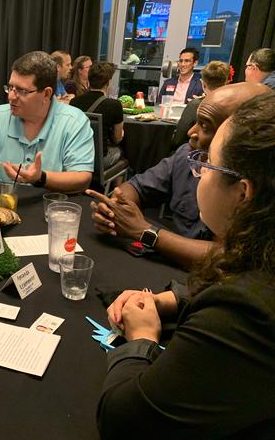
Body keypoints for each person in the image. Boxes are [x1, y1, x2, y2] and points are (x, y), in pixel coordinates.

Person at [97, 91, 275, 439]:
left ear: (243, 193)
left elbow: (123, 422)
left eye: (207, 165)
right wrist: (174, 300)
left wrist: (143, 337)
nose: (198, 171)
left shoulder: (246, 312)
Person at [86, 82, 270, 269]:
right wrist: (116, 210)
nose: (191, 132)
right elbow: (139, 186)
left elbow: (234, 259)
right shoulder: (186, 155)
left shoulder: (262, 191)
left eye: (205, 125)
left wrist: (145, 232)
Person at [0, 51, 94, 193]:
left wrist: (41, 178)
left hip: (48, 208)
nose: (11, 97)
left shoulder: (74, 122)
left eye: (22, 91)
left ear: (46, 94)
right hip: (0, 207)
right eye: (10, 87)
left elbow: (82, 178)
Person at [70, 61, 123, 168]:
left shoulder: (74, 102)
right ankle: (115, 184)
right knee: (122, 152)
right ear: (108, 82)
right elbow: (117, 139)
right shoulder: (114, 105)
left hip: (76, 156)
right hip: (98, 160)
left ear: (89, 79)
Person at [172, 60, 229, 148]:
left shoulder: (195, 105)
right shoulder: (233, 104)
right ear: (226, 83)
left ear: (203, 84)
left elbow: (178, 139)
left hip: (195, 151)